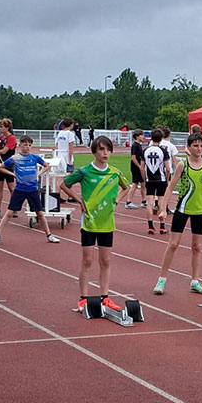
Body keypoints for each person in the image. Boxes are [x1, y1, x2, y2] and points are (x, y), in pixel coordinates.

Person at [60, 136, 130, 313]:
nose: (105, 153)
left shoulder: (114, 172)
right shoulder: (84, 171)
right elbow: (63, 184)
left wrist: (116, 202)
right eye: (101, 149)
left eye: (108, 150)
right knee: (88, 260)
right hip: (90, 223)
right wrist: (78, 200)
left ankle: (105, 297)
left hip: (107, 223)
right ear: (94, 151)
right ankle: (83, 298)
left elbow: (126, 187)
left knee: (105, 261)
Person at [152, 132, 202, 295]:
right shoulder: (183, 165)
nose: (199, 148)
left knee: (197, 247)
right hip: (182, 209)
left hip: (199, 210)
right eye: (195, 145)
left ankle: (195, 281)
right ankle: (162, 279)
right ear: (188, 147)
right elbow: (170, 186)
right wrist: (163, 208)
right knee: (173, 244)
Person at [0, 135, 60, 245]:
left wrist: (39, 174)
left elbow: (46, 165)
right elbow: (0, 167)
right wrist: (13, 174)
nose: (27, 147)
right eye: (25, 145)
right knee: (9, 213)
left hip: (32, 189)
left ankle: (49, 235)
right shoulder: (15, 158)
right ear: (20, 145)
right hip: (19, 190)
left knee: (40, 213)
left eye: (29, 145)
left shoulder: (35, 157)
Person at [141, 128, 170, 235]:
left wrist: (144, 179)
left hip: (150, 179)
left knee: (149, 203)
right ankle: (162, 226)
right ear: (161, 138)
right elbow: (167, 168)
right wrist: (167, 180)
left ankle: (150, 226)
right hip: (161, 179)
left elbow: (141, 167)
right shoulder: (163, 151)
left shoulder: (145, 151)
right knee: (161, 202)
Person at [159, 126, 179, 214]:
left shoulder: (156, 143)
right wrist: (178, 170)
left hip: (156, 169)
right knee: (167, 188)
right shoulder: (171, 146)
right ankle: (165, 207)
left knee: (158, 189)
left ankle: (158, 204)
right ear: (169, 135)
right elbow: (174, 160)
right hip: (167, 169)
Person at [125, 129, 147, 209]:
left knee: (143, 183)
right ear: (137, 136)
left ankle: (144, 201)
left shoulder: (139, 145)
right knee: (135, 183)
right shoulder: (135, 145)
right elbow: (133, 158)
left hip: (139, 166)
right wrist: (139, 166)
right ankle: (128, 201)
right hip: (135, 166)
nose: (143, 137)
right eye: (142, 135)